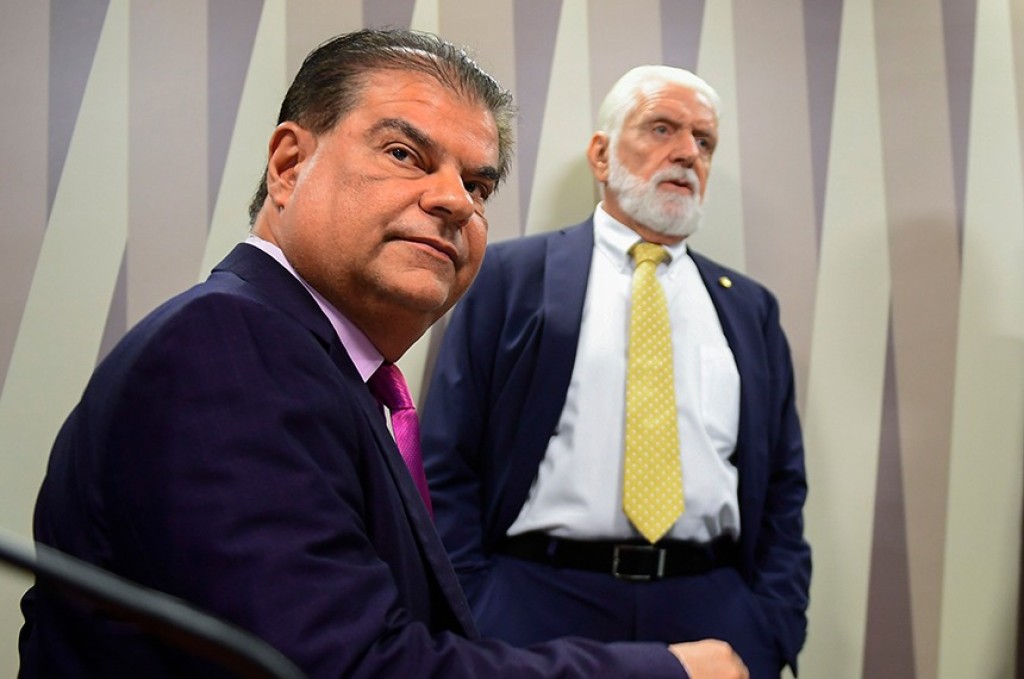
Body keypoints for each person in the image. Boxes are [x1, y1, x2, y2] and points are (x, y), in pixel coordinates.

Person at [17, 31, 749, 679]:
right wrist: (667, 672)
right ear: (288, 164)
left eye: (477, 184)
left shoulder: (314, 361)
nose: (456, 201)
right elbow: (351, 664)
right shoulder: (221, 351)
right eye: (405, 154)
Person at [420, 65, 811, 677]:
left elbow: (783, 484)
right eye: (662, 128)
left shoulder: (749, 309)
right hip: (535, 602)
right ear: (601, 155)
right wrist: (476, 604)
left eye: (704, 141)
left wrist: (771, 627)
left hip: (714, 608)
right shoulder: (508, 279)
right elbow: (446, 459)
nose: (687, 153)